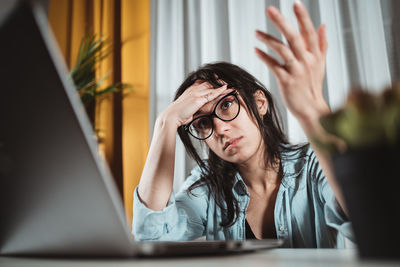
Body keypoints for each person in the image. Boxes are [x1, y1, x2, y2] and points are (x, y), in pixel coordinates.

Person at [132, 1, 354, 247]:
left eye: (226, 105)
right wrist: (165, 122)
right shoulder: (208, 185)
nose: (220, 129)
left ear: (259, 103)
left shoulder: (312, 164)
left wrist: (312, 110)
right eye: (203, 123)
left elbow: (367, 222)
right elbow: (152, 238)